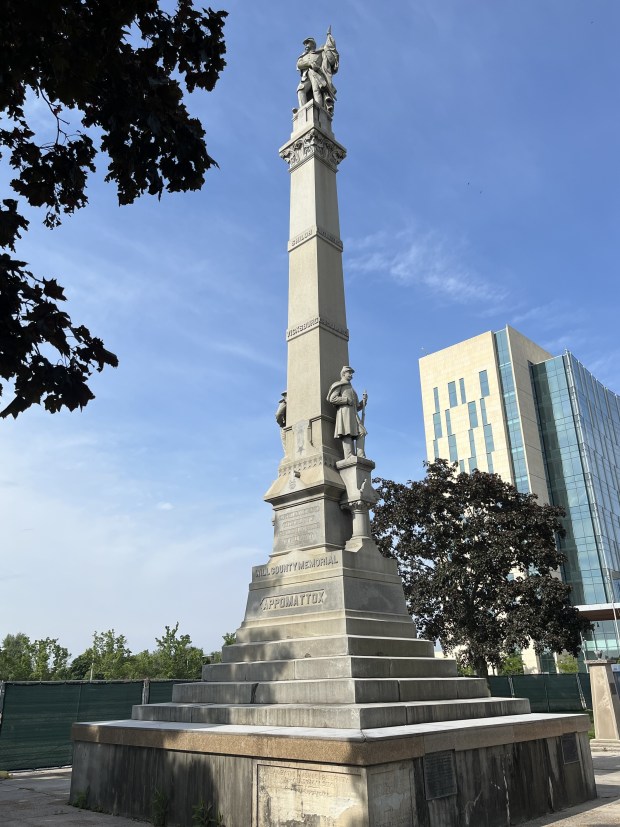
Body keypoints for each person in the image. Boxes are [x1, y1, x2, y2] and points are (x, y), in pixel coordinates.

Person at [326, 366, 367, 459]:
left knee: (362, 432)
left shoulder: (352, 389)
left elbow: (356, 406)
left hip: (353, 414)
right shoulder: (339, 385)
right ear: (344, 373)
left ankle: (360, 455)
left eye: (352, 373)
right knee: (346, 432)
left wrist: (363, 402)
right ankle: (348, 455)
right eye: (349, 372)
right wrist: (346, 400)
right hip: (344, 412)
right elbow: (332, 399)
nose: (351, 375)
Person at [296, 29, 339, 116]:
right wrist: (310, 63)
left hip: (317, 75)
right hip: (306, 76)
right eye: (305, 44)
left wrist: (329, 40)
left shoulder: (319, 53)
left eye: (308, 43)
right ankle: (303, 113)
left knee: (316, 91)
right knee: (300, 90)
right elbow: (299, 64)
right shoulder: (303, 56)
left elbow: (330, 58)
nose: (306, 45)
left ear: (313, 44)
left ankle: (319, 112)